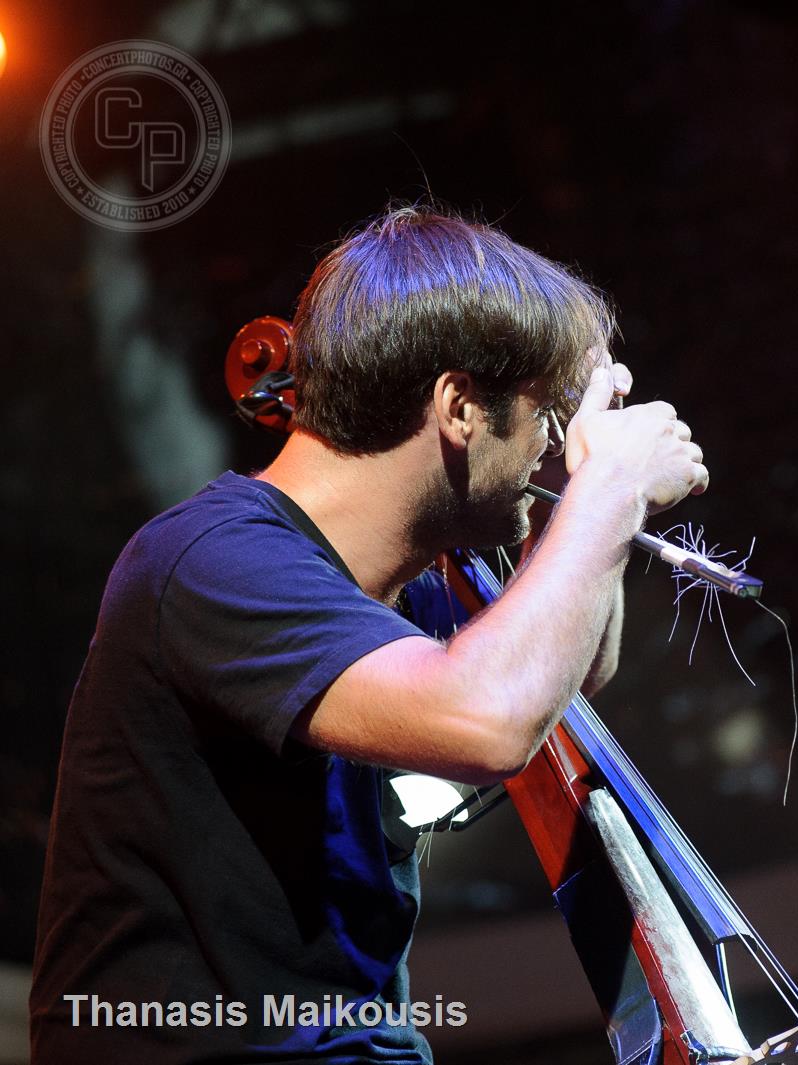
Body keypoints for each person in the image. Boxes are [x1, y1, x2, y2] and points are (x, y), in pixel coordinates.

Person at [29, 206, 709, 1063]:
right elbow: (492, 716)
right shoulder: (213, 559)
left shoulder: (404, 589)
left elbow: (559, 673)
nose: (548, 452)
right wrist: (607, 492)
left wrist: (585, 503)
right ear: (459, 407)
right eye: (544, 416)